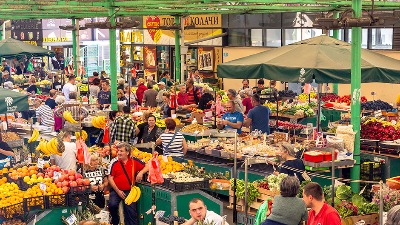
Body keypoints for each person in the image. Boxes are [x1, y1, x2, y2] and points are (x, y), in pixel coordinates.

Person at [108, 142, 149, 225]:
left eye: (121, 151)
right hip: (116, 190)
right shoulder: (114, 162)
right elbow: (110, 178)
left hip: (129, 190)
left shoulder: (134, 161)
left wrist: (141, 172)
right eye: (118, 151)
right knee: (112, 205)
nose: (119, 153)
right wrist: (118, 191)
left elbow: (148, 166)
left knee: (131, 212)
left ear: (127, 152)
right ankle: (115, 221)